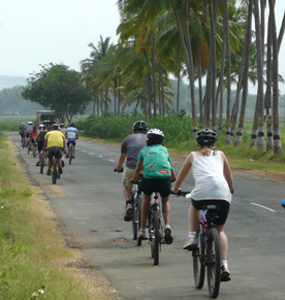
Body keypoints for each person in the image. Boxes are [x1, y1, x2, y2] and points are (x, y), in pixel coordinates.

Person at [172, 128, 234, 281]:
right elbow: (228, 175)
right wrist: (231, 189)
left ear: (197, 143)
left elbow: (181, 176)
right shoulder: (221, 154)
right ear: (215, 143)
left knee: (195, 205)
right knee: (220, 231)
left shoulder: (192, 156)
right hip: (222, 193)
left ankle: (192, 236)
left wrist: (175, 190)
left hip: (202, 193)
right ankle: (224, 265)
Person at [131, 128, 176, 244]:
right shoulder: (164, 150)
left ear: (148, 140)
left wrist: (134, 179)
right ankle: (167, 225)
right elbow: (169, 167)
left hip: (149, 179)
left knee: (146, 197)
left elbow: (138, 168)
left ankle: (142, 230)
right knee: (165, 200)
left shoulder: (144, 150)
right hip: (164, 179)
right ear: (161, 141)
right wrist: (173, 178)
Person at [114, 120, 148, 221]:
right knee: (148, 190)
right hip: (147, 169)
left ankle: (129, 203)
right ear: (146, 131)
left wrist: (119, 168)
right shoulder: (150, 139)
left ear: (134, 131)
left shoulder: (128, 139)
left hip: (131, 169)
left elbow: (122, 157)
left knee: (126, 185)